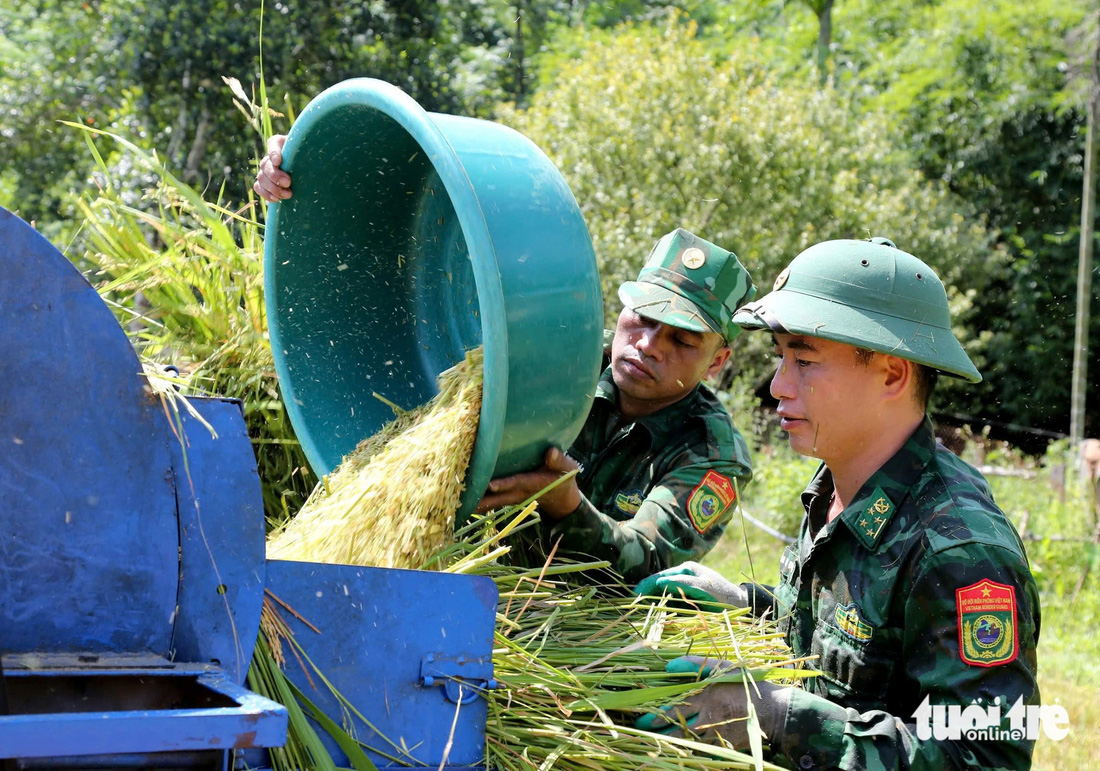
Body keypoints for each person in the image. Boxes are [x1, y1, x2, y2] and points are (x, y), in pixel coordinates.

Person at [254, 137, 756, 583]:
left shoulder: (710, 453)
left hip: (574, 628)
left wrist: (566, 505)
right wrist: (313, 179)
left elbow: (647, 563)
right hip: (450, 568)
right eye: (641, 318)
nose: (648, 344)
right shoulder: (563, 354)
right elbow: (404, 306)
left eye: (682, 341)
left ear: (717, 361)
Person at [634, 237, 1041, 769]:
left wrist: (778, 716)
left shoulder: (959, 550)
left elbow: (988, 759)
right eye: (781, 357)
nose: (778, 385)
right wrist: (748, 605)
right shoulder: (837, 485)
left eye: (804, 358)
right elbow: (838, 641)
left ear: (892, 374)